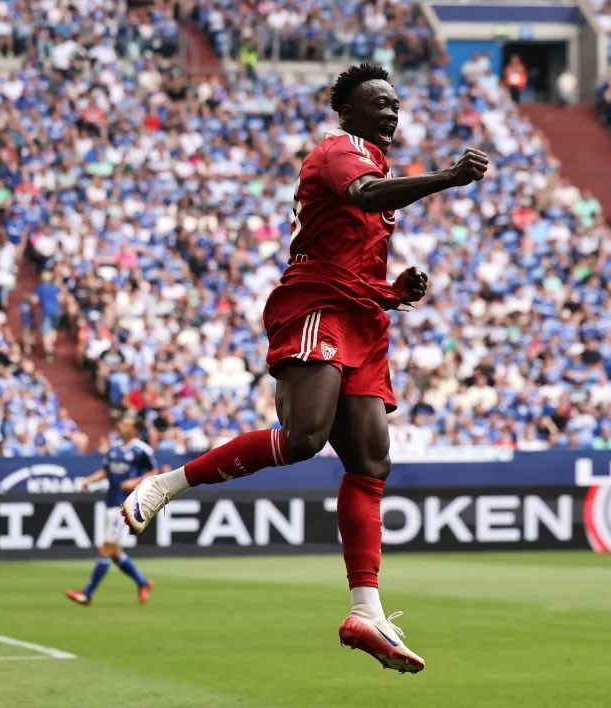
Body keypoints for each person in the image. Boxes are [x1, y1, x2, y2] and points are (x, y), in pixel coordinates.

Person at [121, 63, 489, 674]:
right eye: (378, 102)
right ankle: (167, 484)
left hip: (365, 316)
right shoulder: (338, 152)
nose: (392, 111)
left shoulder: (373, 164)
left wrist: (395, 290)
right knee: (303, 439)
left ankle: (365, 610)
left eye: (396, 103)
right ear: (346, 113)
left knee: (372, 463)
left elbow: (360, 249)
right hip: (317, 304)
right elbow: (362, 199)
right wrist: (448, 178)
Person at [66, 413, 156, 607]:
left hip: (126, 505)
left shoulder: (142, 450)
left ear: (134, 430)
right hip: (111, 501)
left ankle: (87, 594)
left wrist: (134, 482)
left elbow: (153, 474)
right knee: (115, 552)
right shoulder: (114, 449)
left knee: (106, 548)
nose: (121, 425)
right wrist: (88, 481)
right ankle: (143, 583)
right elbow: (106, 471)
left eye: (126, 423)